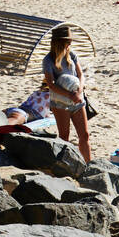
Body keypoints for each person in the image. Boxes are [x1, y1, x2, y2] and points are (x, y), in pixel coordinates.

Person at [41, 25, 90, 162]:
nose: (70, 44)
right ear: (59, 42)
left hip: (77, 99)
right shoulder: (48, 60)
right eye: (67, 42)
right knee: (64, 136)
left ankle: (88, 164)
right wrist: (70, 95)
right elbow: (51, 84)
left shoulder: (72, 55)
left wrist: (79, 92)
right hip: (60, 102)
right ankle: (66, 166)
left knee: (84, 135)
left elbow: (81, 75)